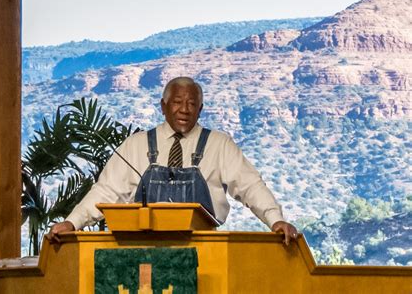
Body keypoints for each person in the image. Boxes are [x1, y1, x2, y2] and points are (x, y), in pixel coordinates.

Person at [47, 77, 298, 245]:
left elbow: (250, 186)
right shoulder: (135, 145)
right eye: (177, 103)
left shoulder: (220, 145)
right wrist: (73, 222)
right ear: (163, 106)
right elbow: (106, 191)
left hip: (205, 251)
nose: (184, 110)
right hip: (141, 251)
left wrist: (275, 220)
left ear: (201, 109)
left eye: (192, 104)